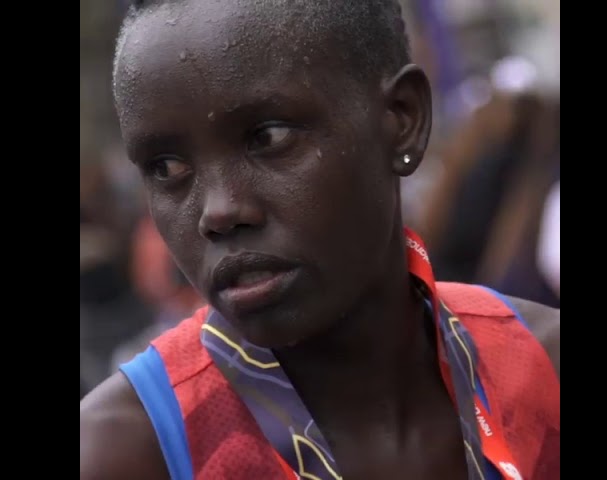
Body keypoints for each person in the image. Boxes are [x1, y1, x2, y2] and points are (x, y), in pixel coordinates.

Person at [80, 1, 560, 479]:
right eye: (167, 168)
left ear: (402, 119)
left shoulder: (543, 370)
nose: (219, 212)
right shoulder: (126, 451)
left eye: (268, 137)